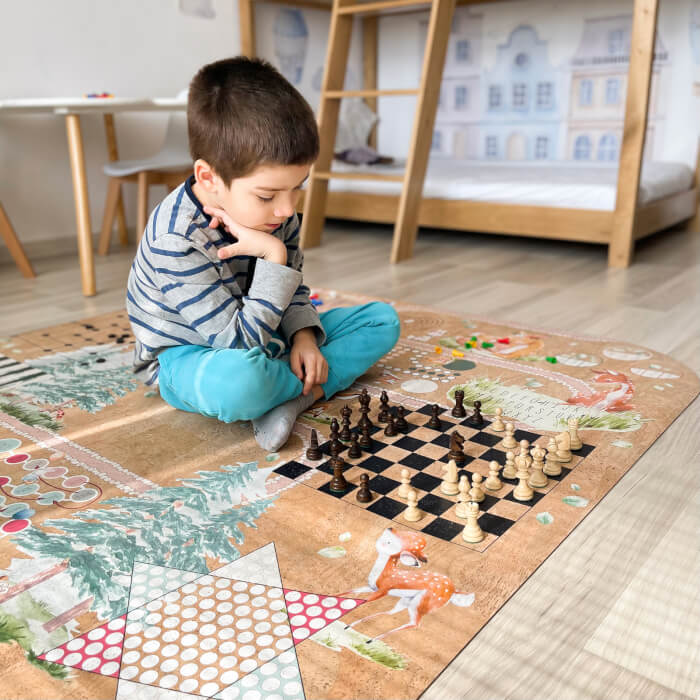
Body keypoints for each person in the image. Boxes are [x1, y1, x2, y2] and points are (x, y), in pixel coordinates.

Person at [126, 56, 400, 451]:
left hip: (265, 334)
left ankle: (295, 394)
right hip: (192, 357)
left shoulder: (276, 211)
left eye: (297, 188)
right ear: (209, 177)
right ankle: (298, 390)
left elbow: (293, 289)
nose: (287, 209)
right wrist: (274, 256)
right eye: (268, 194)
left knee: (381, 322)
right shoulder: (177, 239)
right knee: (240, 385)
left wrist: (305, 338)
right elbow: (238, 345)